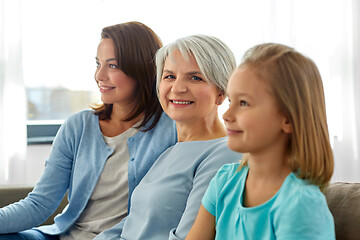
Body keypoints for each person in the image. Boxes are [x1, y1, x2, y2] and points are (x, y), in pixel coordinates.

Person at [0, 21, 177, 240]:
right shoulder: (77, 126)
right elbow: (39, 204)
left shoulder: (172, 129)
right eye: (97, 64)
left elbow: (168, 213)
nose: (99, 76)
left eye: (112, 65)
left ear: (141, 68)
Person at [94, 35, 242, 240]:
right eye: (169, 76)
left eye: (195, 77)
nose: (177, 88)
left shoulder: (225, 154)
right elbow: (132, 223)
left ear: (221, 92)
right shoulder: (171, 151)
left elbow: (188, 235)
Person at [186, 43, 336, 239]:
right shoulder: (224, 180)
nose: (227, 115)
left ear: (288, 119)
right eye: (231, 101)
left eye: (244, 103)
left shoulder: (301, 204)